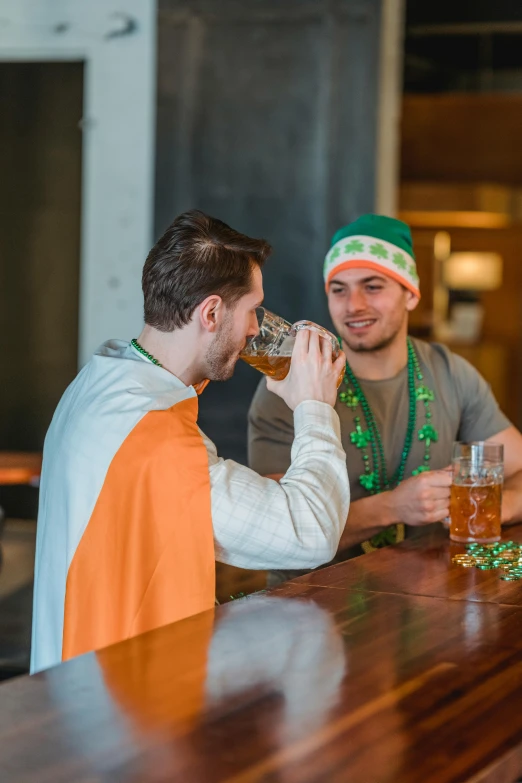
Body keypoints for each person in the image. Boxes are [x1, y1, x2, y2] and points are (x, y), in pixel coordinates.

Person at [31, 210, 349, 673]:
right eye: (251, 310)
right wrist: (315, 406)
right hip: (120, 703)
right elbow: (312, 533)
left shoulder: (102, 382)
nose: (258, 328)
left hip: (73, 669)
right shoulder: (155, 435)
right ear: (212, 312)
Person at [248, 213, 522, 585]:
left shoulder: (449, 372)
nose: (353, 305)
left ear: (411, 294)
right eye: (339, 289)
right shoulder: (288, 382)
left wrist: (498, 506)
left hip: (427, 598)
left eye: (373, 286)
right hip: (312, 602)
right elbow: (280, 532)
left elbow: (516, 464)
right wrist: (394, 506)